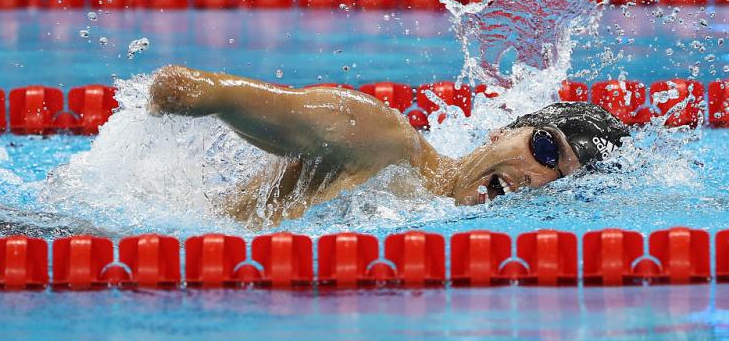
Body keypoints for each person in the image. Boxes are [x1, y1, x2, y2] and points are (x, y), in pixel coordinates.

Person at [149, 65, 630, 225]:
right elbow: (189, 89)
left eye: (560, 179)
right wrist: (186, 98)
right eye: (546, 150)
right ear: (502, 131)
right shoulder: (382, 139)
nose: (538, 178)